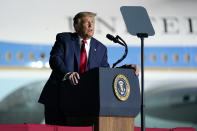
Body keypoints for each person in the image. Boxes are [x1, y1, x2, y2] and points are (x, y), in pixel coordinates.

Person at [38, 11, 139, 126]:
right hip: (58, 98)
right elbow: (55, 59)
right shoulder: (64, 39)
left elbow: (105, 73)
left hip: (83, 104)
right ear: (76, 25)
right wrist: (68, 74)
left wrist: (126, 69)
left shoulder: (101, 48)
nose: (91, 26)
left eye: (93, 23)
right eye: (87, 23)